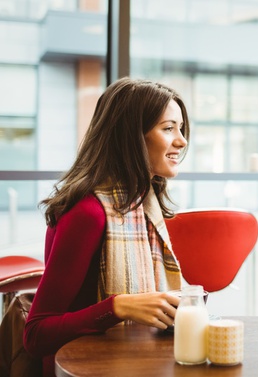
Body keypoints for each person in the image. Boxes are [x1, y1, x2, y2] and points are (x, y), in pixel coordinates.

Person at [24, 77, 190, 376]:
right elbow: (36, 335)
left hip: (131, 361)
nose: (182, 140)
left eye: (181, 128)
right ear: (131, 136)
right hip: (82, 368)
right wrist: (116, 308)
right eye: (168, 129)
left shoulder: (142, 204)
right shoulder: (88, 213)